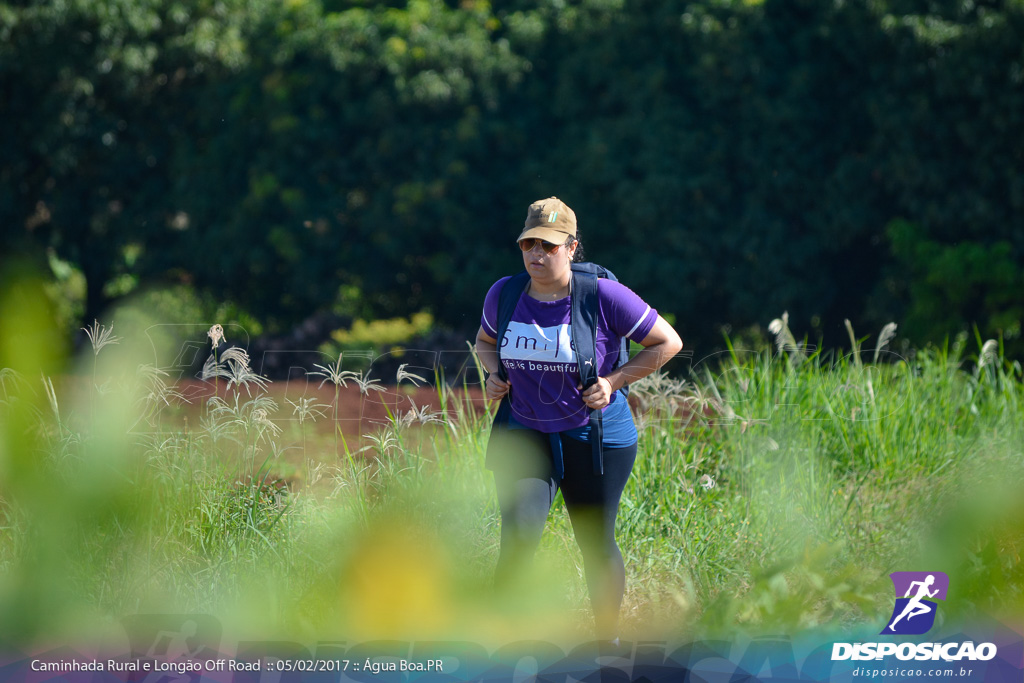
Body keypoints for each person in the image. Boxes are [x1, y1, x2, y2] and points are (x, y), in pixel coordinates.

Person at [475, 196, 683, 640]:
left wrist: (614, 381)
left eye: (548, 246)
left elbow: (667, 342)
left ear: (572, 248)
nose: (536, 253)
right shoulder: (505, 293)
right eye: (529, 243)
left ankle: (606, 645)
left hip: (596, 437)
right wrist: (493, 373)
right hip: (526, 431)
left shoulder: (603, 296)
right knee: (517, 541)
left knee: (594, 542)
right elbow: (485, 341)